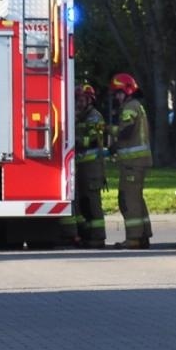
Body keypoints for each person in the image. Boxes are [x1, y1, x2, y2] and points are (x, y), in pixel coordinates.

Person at [109, 72, 152, 249]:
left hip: (133, 164)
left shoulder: (130, 107)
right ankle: (143, 235)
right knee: (136, 198)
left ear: (127, 90)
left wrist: (109, 129)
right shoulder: (136, 105)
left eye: (118, 93)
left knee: (129, 200)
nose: (117, 97)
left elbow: (126, 131)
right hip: (136, 163)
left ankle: (134, 238)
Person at [70, 83, 109, 247]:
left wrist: (76, 142)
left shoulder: (95, 117)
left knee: (93, 202)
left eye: (82, 99)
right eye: (77, 99)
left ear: (89, 100)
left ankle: (98, 237)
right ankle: (86, 236)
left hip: (93, 167)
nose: (78, 102)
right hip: (82, 167)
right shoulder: (80, 116)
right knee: (83, 203)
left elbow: (94, 140)